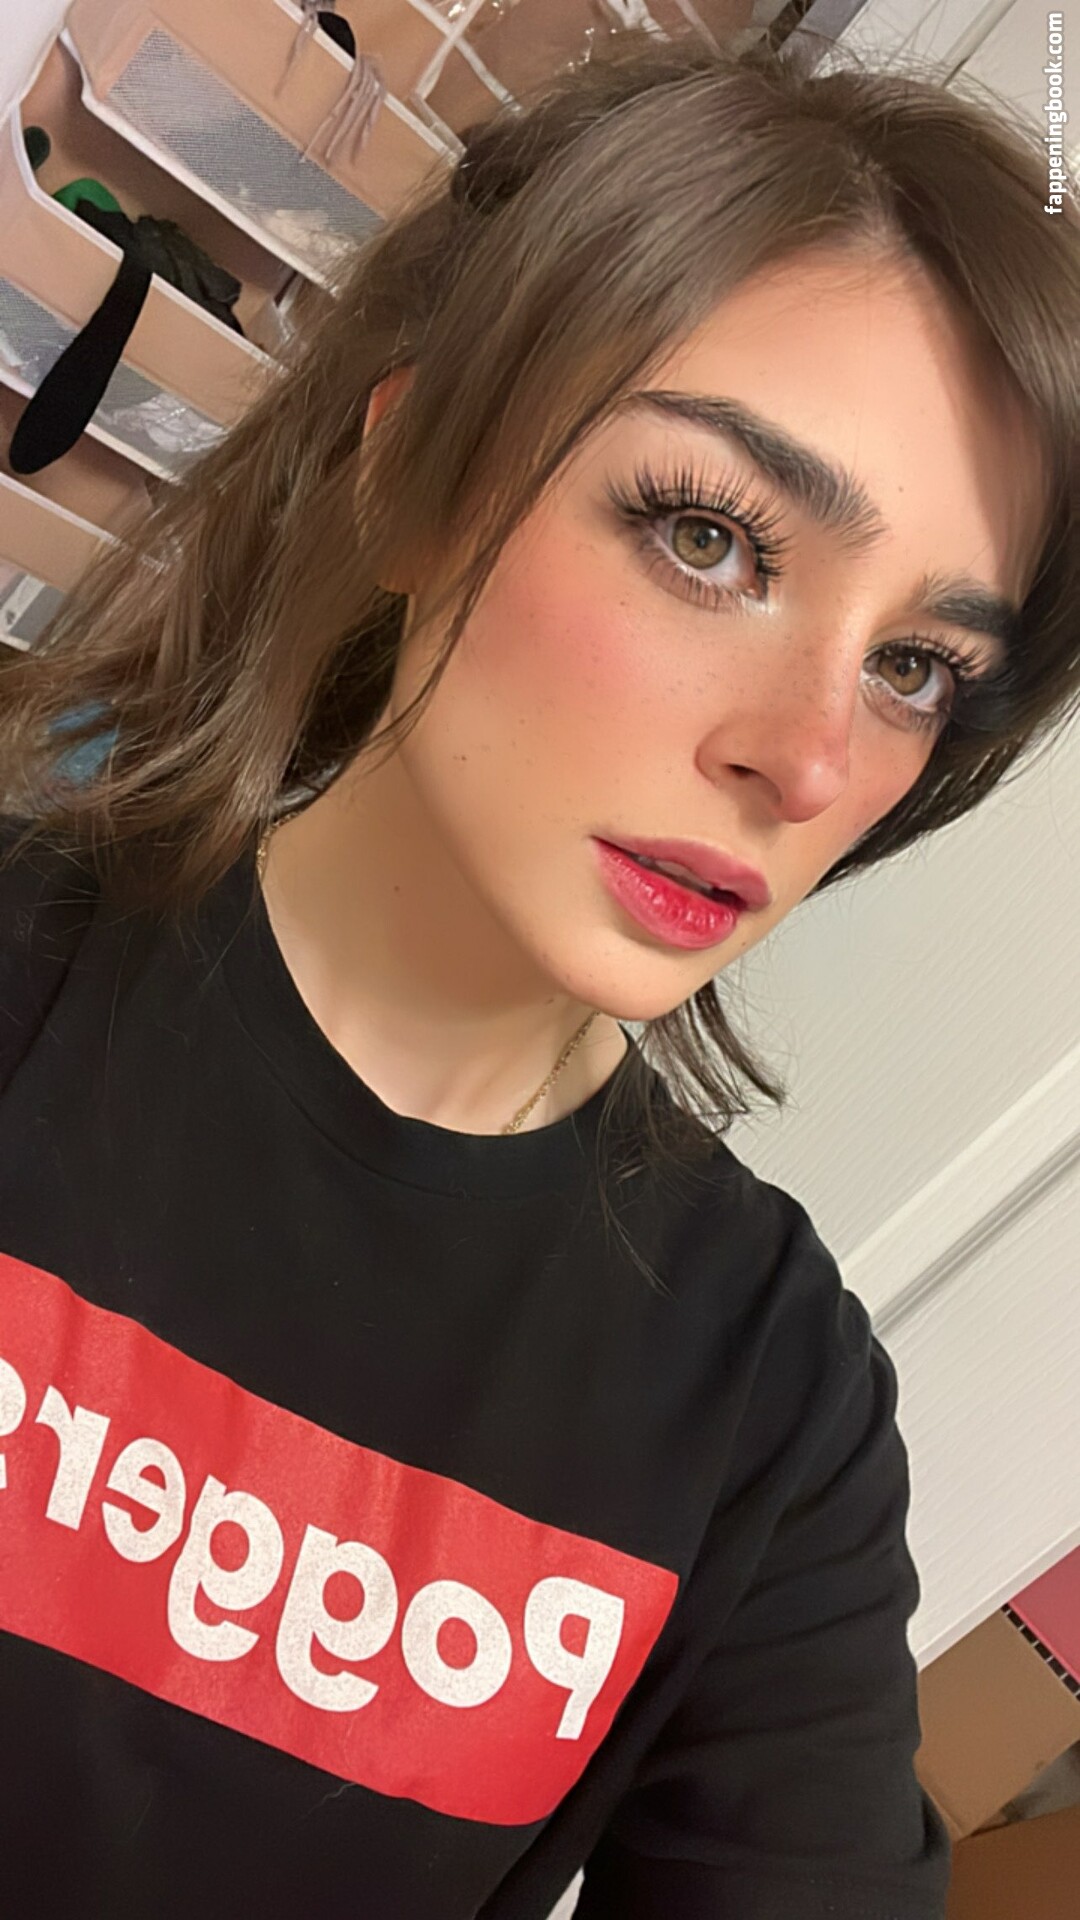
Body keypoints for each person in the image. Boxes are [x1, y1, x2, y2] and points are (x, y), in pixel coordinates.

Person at [0, 24, 1076, 1920]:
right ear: (416, 477)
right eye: (711, 537)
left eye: (916, 667)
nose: (808, 758)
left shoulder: (767, 1410)